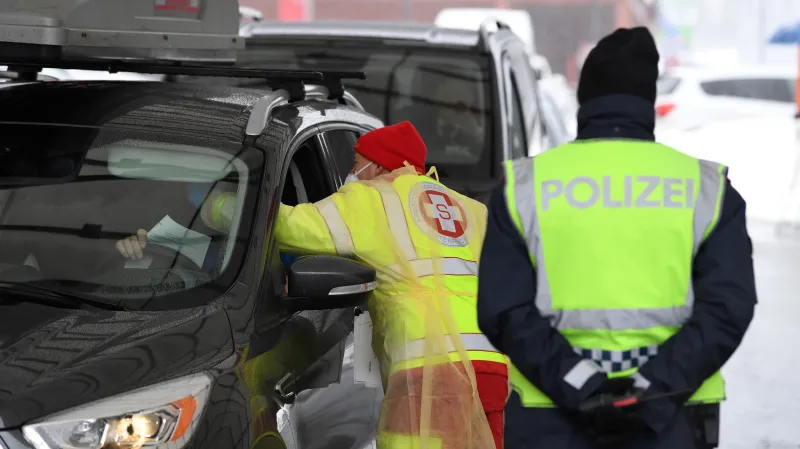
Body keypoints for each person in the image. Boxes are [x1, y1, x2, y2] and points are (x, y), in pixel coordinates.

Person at [476, 27, 757, 449]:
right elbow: (727, 306)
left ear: (584, 99)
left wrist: (583, 385)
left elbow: (505, 309)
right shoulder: (706, 189)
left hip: (550, 417)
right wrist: (650, 389)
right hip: (671, 419)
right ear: (648, 101)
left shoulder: (525, 187)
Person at [207, 121, 505, 448]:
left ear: (378, 166)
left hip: (429, 365)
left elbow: (291, 228)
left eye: (356, 165)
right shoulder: (473, 210)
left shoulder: (373, 198)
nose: (351, 173)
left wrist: (219, 207)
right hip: (492, 364)